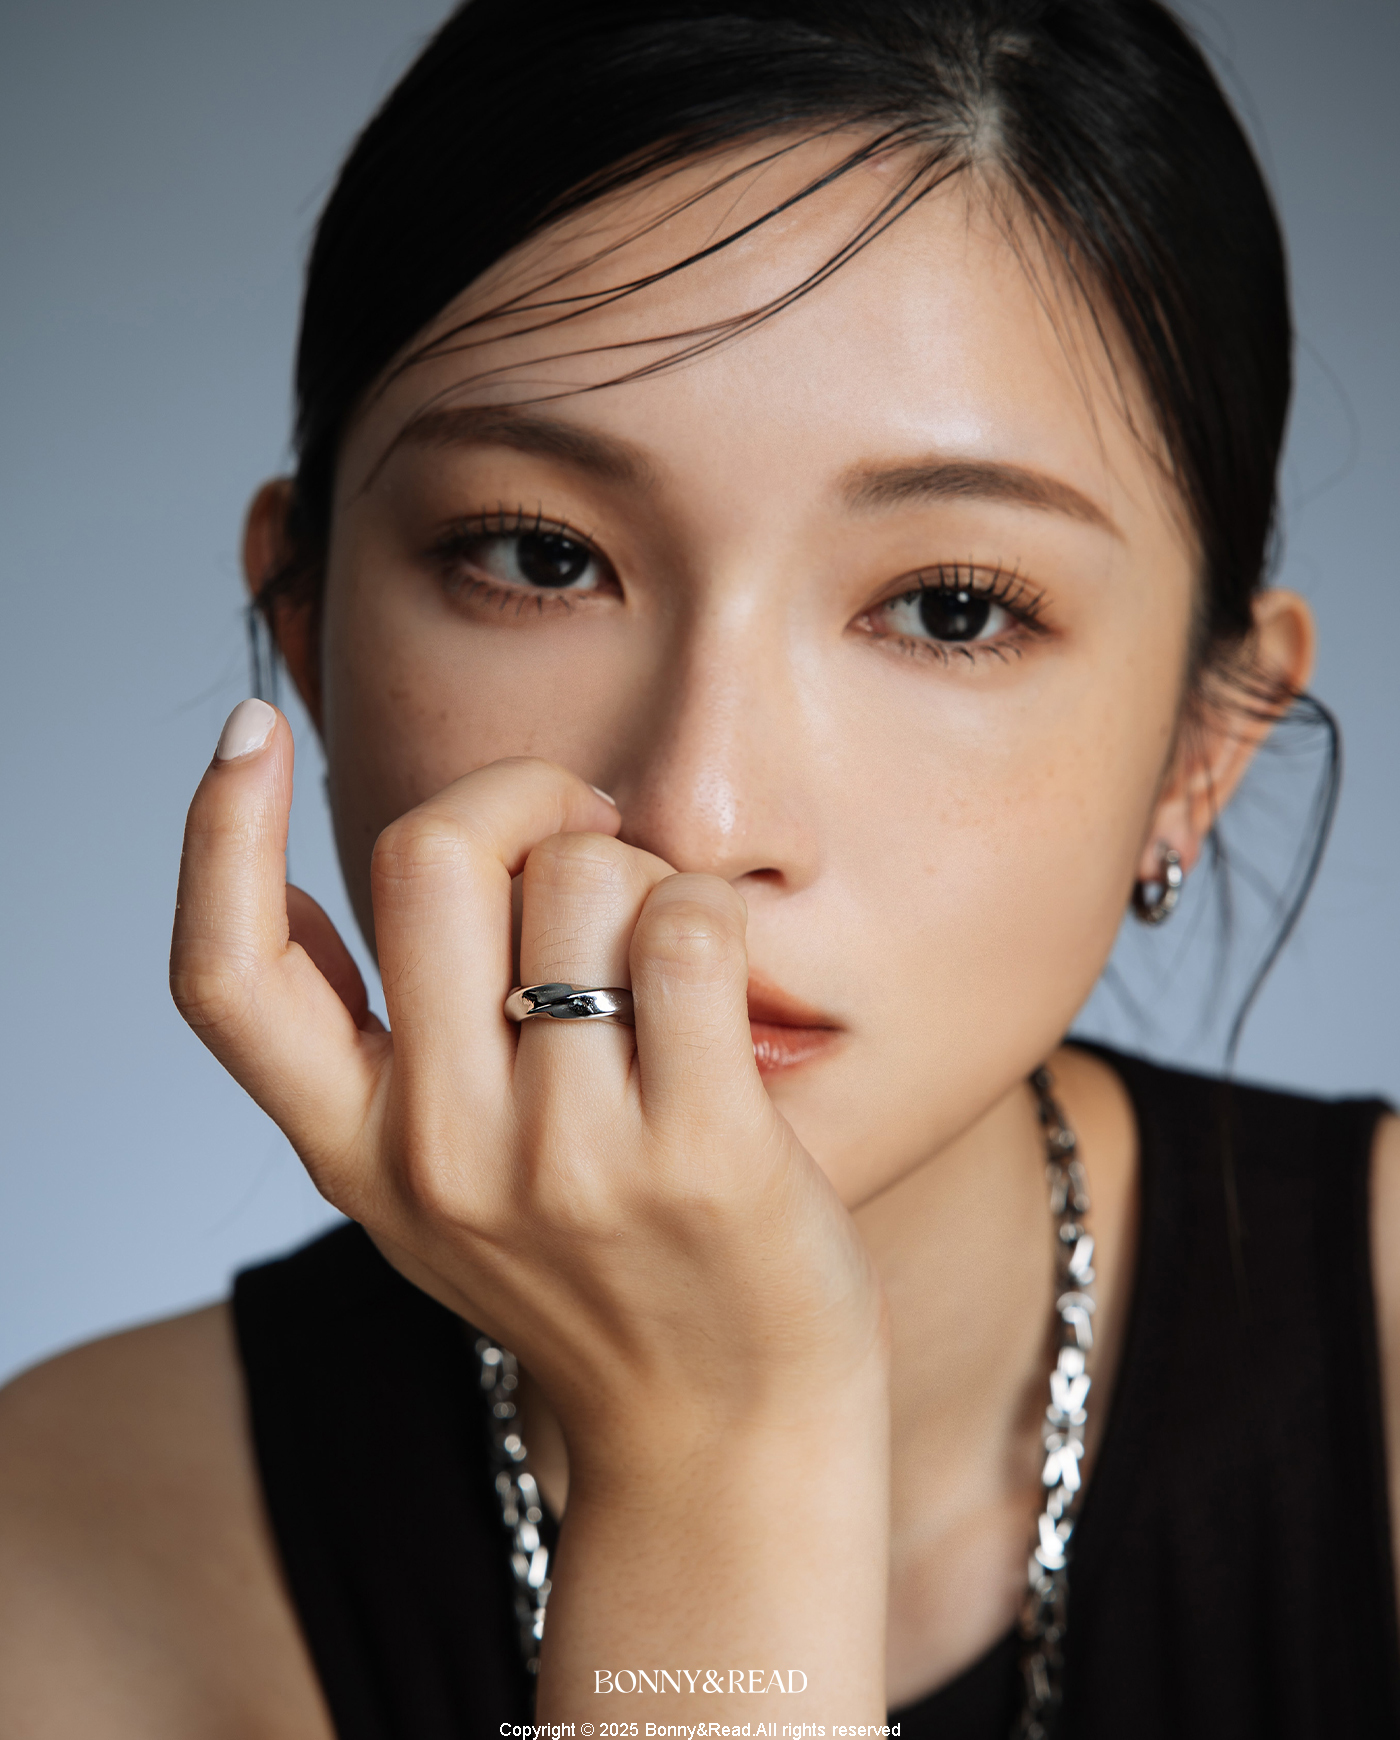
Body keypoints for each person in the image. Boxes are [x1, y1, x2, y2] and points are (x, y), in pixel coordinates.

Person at [1, 1, 1396, 1735]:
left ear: (1205, 742)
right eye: (540, 557)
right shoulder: (56, 1566)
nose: (700, 817)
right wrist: (712, 1453)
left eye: (951, 606)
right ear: (304, 620)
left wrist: (718, 1441)